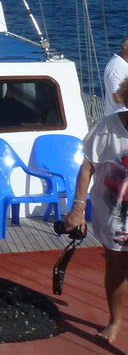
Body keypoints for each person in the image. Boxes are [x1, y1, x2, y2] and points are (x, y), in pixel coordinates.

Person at [64, 77, 128, 342]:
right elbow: (87, 166)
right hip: (115, 214)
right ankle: (115, 321)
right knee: (116, 267)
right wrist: (78, 208)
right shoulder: (107, 128)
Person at [106, 36, 128, 116]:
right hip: (121, 121)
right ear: (122, 48)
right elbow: (118, 97)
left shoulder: (124, 64)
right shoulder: (117, 68)